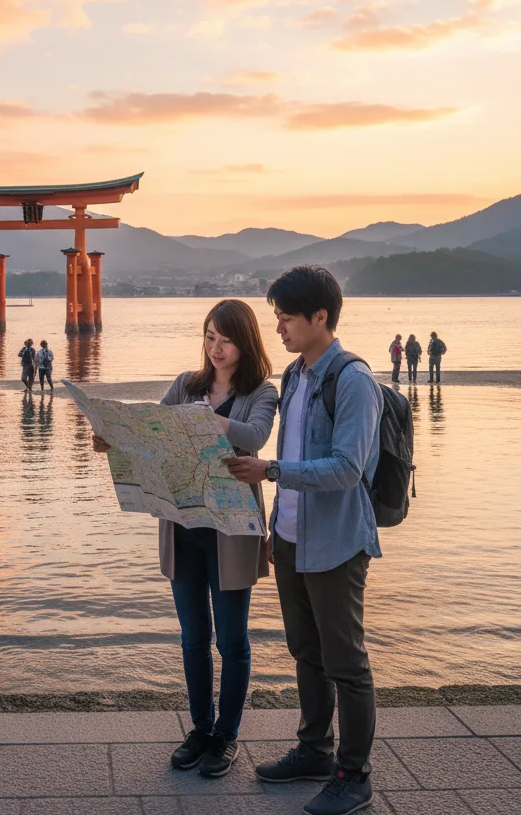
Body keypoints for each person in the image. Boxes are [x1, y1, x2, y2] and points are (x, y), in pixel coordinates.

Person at [95, 300, 277, 778]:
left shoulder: (262, 391)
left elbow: (254, 437)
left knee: (231, 640)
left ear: (246, 342)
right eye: (210, 337)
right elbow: (152, 435)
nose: (215, 348)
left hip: (232, 530)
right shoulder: (186, 384)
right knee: (193, 637)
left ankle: (227, 734)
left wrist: (202, 421)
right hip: (183, 524)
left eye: (226, 339)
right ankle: (199, 730)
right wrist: (114, 437)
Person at [224, 266, 382, 815]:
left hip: (336, 543)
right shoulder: (294, 376)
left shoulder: (352, 380)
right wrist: (274, 530)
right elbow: (291, 451)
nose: (281, 329)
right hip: (290, 538)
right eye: (277, 318)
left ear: (321, 317)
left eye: (287, 318)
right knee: (306, 653)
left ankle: (353, 774)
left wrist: (269, 472)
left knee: (346, 662)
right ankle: (315, 750)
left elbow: (346, 468)